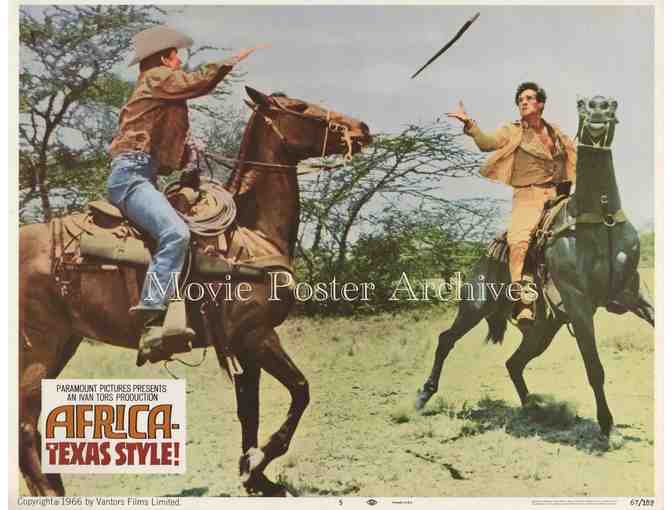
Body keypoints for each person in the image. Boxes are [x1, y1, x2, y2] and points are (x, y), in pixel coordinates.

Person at [107, 25, 265, 355]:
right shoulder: (157, 77)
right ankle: (151, 316)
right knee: (175, 233)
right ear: (164, 58)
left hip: (143, 175)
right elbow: (198, 82)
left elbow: (168, 142)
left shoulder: (159, 89)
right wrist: (232, 60)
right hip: (132, 177)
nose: (179, 62)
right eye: (175, 56)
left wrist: (190, 158)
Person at [447, 82, 577, 324]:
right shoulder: (512, 130)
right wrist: (470, 125)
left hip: (559, 197)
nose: (523, 103)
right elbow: (486, 143)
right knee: (518, 242)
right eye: (520, 100)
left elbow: (574, 158)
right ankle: (522, 302)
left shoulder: (556, 132)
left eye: (528, 98)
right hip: (528, 198)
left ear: (541, 104)